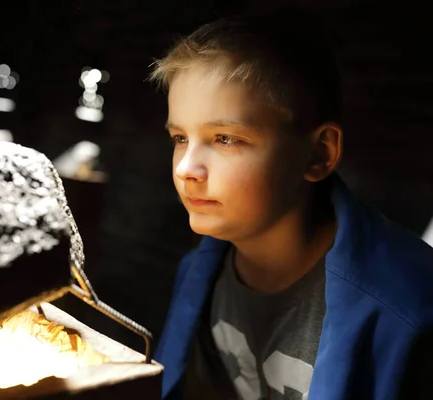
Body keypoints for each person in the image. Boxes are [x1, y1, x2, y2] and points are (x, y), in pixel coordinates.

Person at [148, 6, 433, 400]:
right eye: (180, 138)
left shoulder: (409, 309)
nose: (187, 169)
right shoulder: (198, 273)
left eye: (226, 138)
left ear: (318, 154)